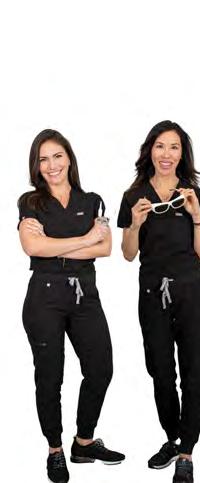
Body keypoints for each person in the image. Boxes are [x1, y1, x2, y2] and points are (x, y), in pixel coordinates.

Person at [18, 129, 125, 483]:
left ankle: (83, 442)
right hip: (44, 298)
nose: (52, 165)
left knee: (101, 368)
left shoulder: (92, 201)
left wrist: (56, 245)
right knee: (50, 377)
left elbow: (105, 248)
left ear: (69, 158)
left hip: (85, 297)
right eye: (43, 159)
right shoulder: (30, 202)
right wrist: (84, 239)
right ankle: (55, 450)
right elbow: (32, 247)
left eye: (57, 156)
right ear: (36, 166)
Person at [117, 120, 200, 483]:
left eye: (174, 147)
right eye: (160, 146)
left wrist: (196, 215)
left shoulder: (193, 194)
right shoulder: (134, 196)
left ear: (182, 154)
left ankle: (187, 451)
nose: (167, 154)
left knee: (194, 371)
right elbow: (129, 254)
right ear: (150, 151)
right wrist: (134, 224)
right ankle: (173, 437)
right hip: (152, 294)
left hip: (190, 293)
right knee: (160, 370)